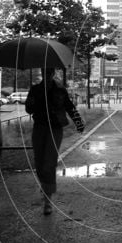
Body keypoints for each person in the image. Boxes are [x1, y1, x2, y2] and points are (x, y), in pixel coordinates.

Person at [25, 68, 84, 215]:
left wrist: (78, 122)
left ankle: (47, 201)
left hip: (55, 129)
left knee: (48, 164)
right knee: (39, 164)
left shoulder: (60, 90)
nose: (48, 75)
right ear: (42, 74)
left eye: (50, 72)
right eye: (45, 72)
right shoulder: (35, 89)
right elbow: (28, 109)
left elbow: (69, 107)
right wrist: (33, 101)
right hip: (39, 128)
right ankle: (46, 186)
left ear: (53, 74)